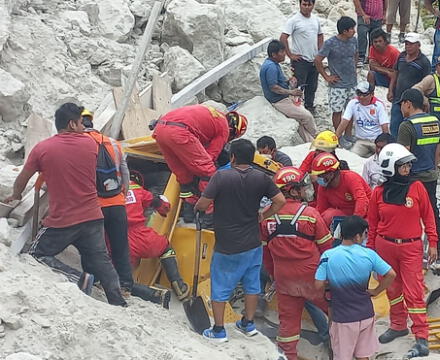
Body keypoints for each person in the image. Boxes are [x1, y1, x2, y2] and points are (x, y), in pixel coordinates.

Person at [3, 103, 126, 306]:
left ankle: (80, 279)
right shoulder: (90, 145)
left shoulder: (43, 148)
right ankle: (118, 300)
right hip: (93, 217)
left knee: (36, 254)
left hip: (62, 221)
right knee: (102, 261)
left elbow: (23, 178)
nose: (83, 127)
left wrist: (15, 195)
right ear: (71, 124)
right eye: (80, 123)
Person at [196, 139, 287, 342]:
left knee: (220, 285)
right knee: (252, 284)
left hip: (227, 244)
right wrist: (264, 214)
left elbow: (203, 204)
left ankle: (218, 331)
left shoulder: (221, 177)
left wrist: (198, 206)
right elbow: (280, 201)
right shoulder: (261, 178)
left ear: (233, 157)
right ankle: (248, 324)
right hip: (253, 243)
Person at [367, 143, 438, 358]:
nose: (407, 169)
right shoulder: (378, 192)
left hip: (411, 247)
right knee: (392, 290)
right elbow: (372, 224)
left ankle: (421, 336)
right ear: (391, 167)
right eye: (403, 166)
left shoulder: (417, 188)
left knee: (414, 292)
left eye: (408, 165)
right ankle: (398, 325)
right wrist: (371, 253)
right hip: (384, 247)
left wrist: (433, 242)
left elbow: (429, 216)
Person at [260, 167, 332, 359]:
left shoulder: (266, 216)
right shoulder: (310, 214)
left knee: (288, 324)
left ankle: (287, 355)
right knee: (335, 311)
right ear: (292, 190)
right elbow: (327, 249)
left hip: (284, 278)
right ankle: (340, 349)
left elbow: (266, 253)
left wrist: (273, 274)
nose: (303, 190)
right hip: (313, 275)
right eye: (300, 187)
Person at [315, 216, 396, 360]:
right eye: (365, 234)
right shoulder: (370, 255)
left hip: (342, 317)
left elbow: (318, 285)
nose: (365, 237)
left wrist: (331, 283)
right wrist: (376, 291)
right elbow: (391, 274)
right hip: (366, 314)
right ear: (358, 236)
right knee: (363, 355)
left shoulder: (328, 256)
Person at [152, 105, 247, 222]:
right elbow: (210, 157)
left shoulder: (213, 115)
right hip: (179, 132)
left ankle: (189, 212)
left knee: (184, 176)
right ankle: (210, 216)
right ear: (233, 131)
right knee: (208, 172)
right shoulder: (224, 128)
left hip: (160, 130)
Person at [81, 110, 134, 294]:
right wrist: (122, 196)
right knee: (120, 245)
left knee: (94, 246)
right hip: (117, 203)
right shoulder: (113, 143)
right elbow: (125, 173)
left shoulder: (80, 145)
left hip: (95, 205)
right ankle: (126, 284)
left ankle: (93, 280)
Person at [397, 88, 440, 262]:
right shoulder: (435, 121)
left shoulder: (407, 126)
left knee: (408, 215)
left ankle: (409, 250)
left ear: (408, 104)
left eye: (402, 105)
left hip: (413, 179)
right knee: (432, 212)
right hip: (431, 176)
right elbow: (437, 152)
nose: (401, 109)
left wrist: (401, 180)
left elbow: (404, 157)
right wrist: (434, 171)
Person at [125, 172, 189, 303]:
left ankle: (151, 294)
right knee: (165, 247)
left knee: (123, 278)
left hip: (116, 239)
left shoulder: (112, 191)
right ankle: (178, 285)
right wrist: (165, 209)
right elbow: (162, 205)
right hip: (139, 236)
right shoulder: (139, 191)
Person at [260, 40, 317, 142]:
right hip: (279, 101)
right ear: (274, 54)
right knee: (307, 116)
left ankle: (311, 141)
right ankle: (316, 136)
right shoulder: (271, 67)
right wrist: (291, 92)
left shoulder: (272, 64)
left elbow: (277, 83)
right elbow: (274, 87)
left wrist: (287, 81)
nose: (284, 54)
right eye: (282, 52)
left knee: (299, 122)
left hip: (281, 98)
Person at [280, 0, 324, 113]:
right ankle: (297, 109)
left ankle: (309, 107)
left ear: (313, 5)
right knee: (298, 86)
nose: (307, 7)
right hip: (300, 61)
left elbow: (320, 35)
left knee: (312, 86)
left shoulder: (315, 20)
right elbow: (283, 37)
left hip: (314, 60)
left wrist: (320, 52)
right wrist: (290, 55)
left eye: (309, 5)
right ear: (300, 5)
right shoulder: (294, 20)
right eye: (304, 4)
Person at [315, 16, 358, 130]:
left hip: (352, 83)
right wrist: (327, 77)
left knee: (350, 111)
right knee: (337, 111)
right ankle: (338, 137)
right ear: (344, 31)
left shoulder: (354, 40)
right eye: (352, 29)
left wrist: (354, 68)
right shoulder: (330, 43)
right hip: (337, 85)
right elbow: (318, 60)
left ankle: (348, 136)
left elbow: (356, 54)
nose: (354, 31)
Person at [388, 32, 432, 137]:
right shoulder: (401, 56)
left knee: (411, 128)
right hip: (398, 99)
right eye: (406, 44)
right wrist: (390, 90)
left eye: (411, 44)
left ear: (418, 45)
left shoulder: (424, 62)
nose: (408, 47)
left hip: (414, 103)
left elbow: (428, 81)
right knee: (394, 126)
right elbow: (395, 73)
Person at [311, 152, 372, 227]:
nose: (318, 178)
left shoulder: (351, 178)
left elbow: (362, 201)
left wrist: (354, 222)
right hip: (345, 214)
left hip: (367, 213)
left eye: (320, 175)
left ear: (331, 173)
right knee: (327, 216)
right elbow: (321, 209)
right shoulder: (323, 186)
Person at [335, 81, 390, 158]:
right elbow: (344, 122)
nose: (361, 97)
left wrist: (386, 145)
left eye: (364, 95)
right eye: (359, 94)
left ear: (372, 94)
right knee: (352, 158)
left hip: (377, 142)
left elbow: (385, 127)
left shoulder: (379, 105)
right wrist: (334, 139)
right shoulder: (353, 103)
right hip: (361, 141)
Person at [354, 0, 384, 67]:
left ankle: (372, 57)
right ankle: (361, 57)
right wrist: (363, 14)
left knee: (375, 37)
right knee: (362, 34)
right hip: (363, 16)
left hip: (378, 17)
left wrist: (384, 13)